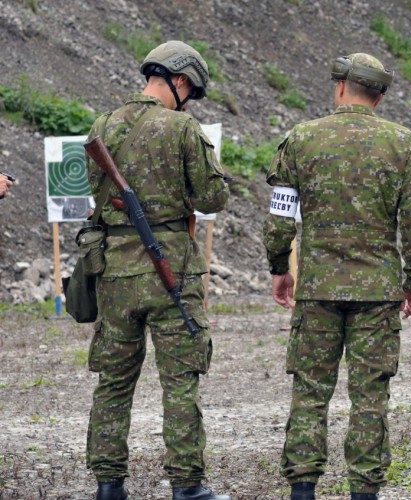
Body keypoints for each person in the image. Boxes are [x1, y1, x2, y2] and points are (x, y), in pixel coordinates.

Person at [263, 53, 411, 500]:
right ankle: (364, 490)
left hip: (317, 289)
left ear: (340, 86)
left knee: (309, 391)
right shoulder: (401, 144)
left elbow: (280, 220)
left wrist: (280, 268)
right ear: (379, 95)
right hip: (378, 293)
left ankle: (302, 488)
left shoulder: (301, 139)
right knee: (370, 396)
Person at [84, 41, 230, 500]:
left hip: (114, 273)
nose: (190, 101)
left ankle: (109, 485)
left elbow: (95, 191)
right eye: (192, 92)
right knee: (180, 382)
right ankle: (187, 486)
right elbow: (212, 198)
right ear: (179, 80)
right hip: (171, 271)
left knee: (113, 382)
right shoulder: (182, 128)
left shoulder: (102, 125)